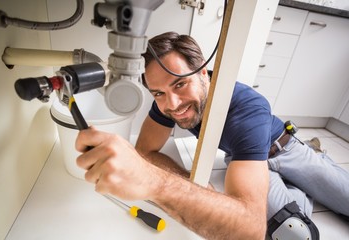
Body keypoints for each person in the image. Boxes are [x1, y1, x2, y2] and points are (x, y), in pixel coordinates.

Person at [76, 32, 349, 239]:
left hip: (285, 149)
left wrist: (158, 183)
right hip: (244, 159)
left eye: (180, 84)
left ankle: (314, 158)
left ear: (203, 74)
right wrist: (189, 183)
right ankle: (305, 185)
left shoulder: (247, 106)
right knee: (294, 232)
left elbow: (247, 227)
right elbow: (145, 151)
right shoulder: (166, 101)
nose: (172, 104)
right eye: (158, 93)